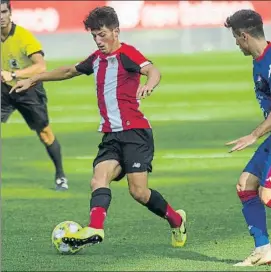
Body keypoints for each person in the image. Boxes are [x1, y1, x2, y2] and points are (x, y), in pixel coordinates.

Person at [11, 6, 187, 248]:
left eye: (102, 34)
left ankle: (177, 220)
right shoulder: (96, 59)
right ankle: (95, 228)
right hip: (111, 136)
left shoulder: (127, 53)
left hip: (135, 133)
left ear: (115, 31)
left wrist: (149, 84)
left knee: (138, 192)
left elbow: (152, 70)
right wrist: (33, 78)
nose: (98, 40)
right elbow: (69, 71)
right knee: (98, 179)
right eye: (94, 35)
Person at [1, 0, 68, 191]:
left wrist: (13, 75)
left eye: (3, 12)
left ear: (10, 13)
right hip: (4, 89)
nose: (1, 16)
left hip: (29, 90)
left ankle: (60, 176)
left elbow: (41, 66)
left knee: (45, 134)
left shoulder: (23, 37)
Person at [225, 9, 271, 266]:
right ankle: (264, 249)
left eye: (235, 37)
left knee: (267, 196)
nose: (235, 43)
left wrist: (254, 135)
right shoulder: (259, 60)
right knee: (246, 185)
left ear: (243, 35)